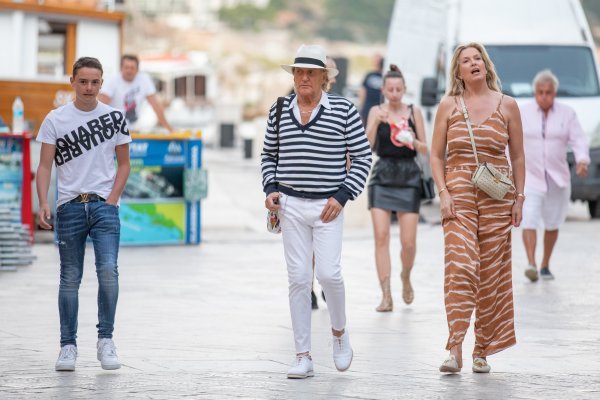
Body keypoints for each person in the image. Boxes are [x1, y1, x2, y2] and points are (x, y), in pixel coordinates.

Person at [261, 44, 372, 379]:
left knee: (328, 274)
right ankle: (303, 355)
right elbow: (268, 156)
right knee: (297, 279)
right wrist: (270, 189)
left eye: (311, 72)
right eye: (298, 71)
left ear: (325, 77)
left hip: (328, 206)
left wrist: (342, 196)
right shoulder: (279, 109)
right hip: (291, 205)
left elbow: (363, 157)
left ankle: (339, 332)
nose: (304, 77)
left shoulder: (344, 110)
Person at [430, 43, 525, 374]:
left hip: (498, 196)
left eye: (477, 59)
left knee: (490, 276)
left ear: (486, 65)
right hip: (458, 192)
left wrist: (520, 198)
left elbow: (518, 156)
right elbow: (436, 155)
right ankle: (454, 347)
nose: (473, 63)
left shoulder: (508, 105)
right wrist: (443, 192)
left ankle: (481, 349)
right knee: (461, 265)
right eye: (465, 61)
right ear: (458, 72)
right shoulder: (449, 106)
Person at [36, 57, 131, 371]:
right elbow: (45, 166)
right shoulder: (55, 119)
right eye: (83, 81)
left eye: (95, 82)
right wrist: (44, 202)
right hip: (69, 207)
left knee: (108, 271)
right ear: (72, 82)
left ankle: (106, 341)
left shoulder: (115, 117)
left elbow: (124, 164)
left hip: (104, 206)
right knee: (70, 278)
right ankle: (67, 346)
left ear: (102, 83)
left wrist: (112, 200)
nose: (89, 88)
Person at [366, 64, 429, 311]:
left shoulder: (414, 111)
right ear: (383, 90)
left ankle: (405, 275)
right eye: (390, 89)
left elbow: (426, 148)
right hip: (382, 175)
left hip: (409, 175)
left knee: (408, 243)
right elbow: (367, 145)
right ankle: (386, 294)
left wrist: (412, 139)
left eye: (398, 89)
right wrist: (375, 124)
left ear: (404, 90)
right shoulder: (376, 111)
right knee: (381, 237)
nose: (394, 94)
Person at [520, 70, 590, 282]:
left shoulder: (567, 113)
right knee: (529, 218)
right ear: (534, 92)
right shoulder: (522, 112)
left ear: (554, 93)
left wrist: (582, 160)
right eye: (540, 92)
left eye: (548, 92)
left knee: (552, 223)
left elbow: (578, 139)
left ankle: (545, 264)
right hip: (530, 176)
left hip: (557, 178)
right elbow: (511, 141)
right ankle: (531, 263)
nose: (544, 96)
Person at [99, 54, 174, 133]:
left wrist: (170, 129)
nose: (129, 70)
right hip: (113, 129)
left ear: (137, 69)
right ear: (121, 68)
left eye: (132, 68)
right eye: (126, 67)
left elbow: (156, 105)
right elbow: (101, 106)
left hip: (134, 129)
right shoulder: (112, 81)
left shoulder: (144, 80)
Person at [358, 54, 384, 125]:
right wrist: (361, 108)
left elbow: (362, 92)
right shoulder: (370, 75)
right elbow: (362, 92)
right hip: (369, 109)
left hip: (378, 110)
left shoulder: (384, 76)